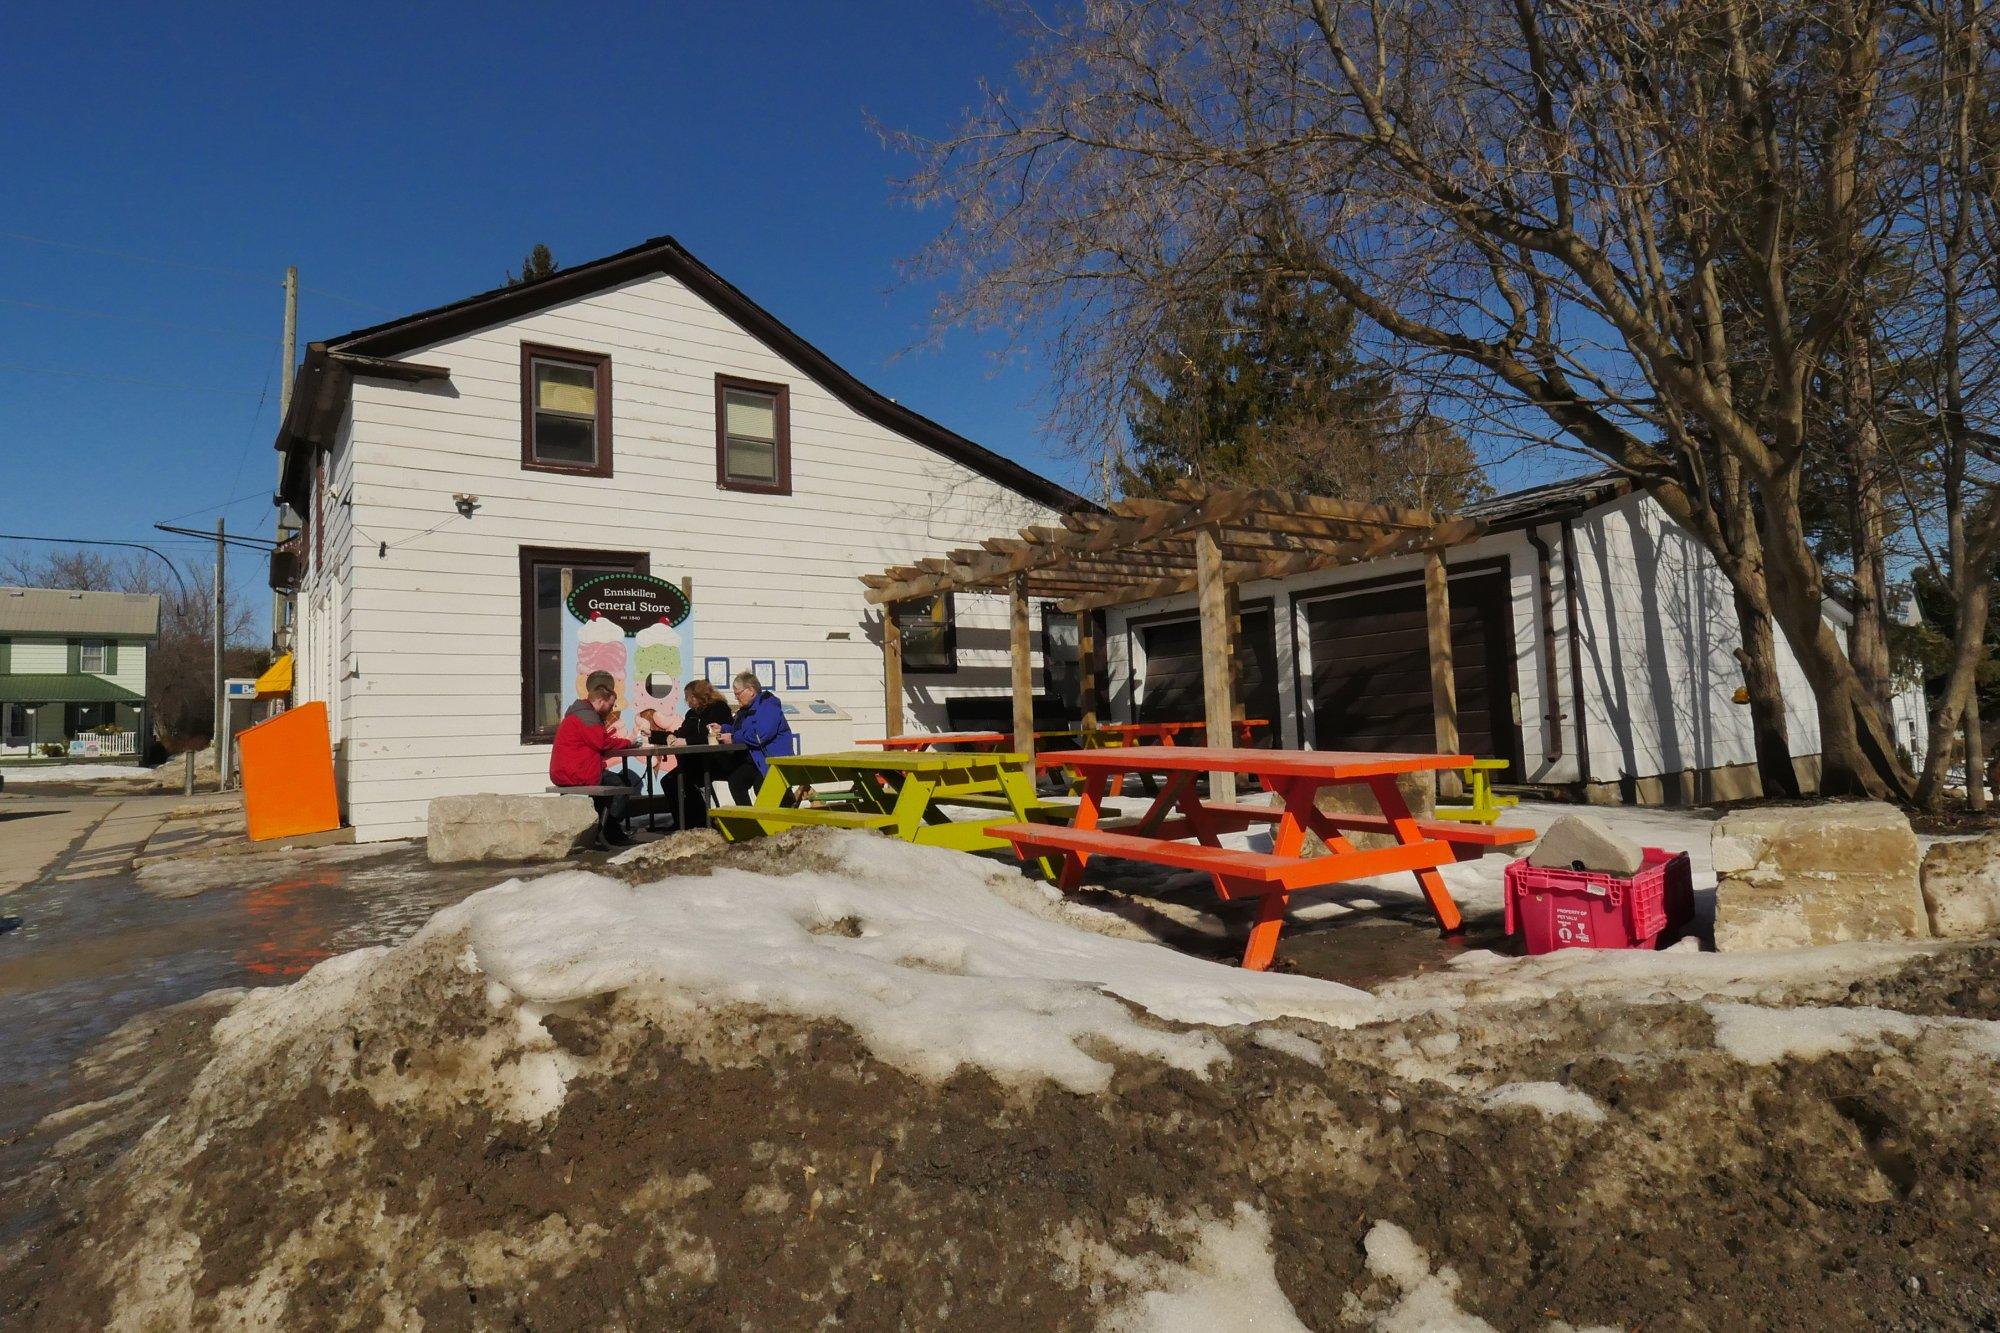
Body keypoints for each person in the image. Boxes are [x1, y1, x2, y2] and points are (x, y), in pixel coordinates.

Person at [550, 671, 638, 847]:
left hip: (564, 771)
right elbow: (601, 743)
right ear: (600, 701)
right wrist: (629, 741)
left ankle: (602, 828)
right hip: (578, 772)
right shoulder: (588, 717)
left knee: (613, 780)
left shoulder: (577, 712)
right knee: (624, 785)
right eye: (610, 705)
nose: (611, 710)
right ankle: (609, 831)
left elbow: (594, 742)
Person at [663, 678, 735, 827]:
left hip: (716, 760)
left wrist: (687, 742)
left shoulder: (719, 709)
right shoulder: (692, 714)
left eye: (688, 698)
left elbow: (713, 736)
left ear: (695, 697)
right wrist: (667, 736)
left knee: (685, 780)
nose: (687, 702)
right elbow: (682, 732)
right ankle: (683, 821)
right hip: (696, 760)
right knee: (669, 781)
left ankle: (699, 821)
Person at [718, 670, 798, 804]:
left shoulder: (768, 705)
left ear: (751, 690)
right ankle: (750, 820)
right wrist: (723, 729)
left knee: (760, 787)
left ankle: (783, 810)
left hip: (773, 761)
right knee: (736, 781)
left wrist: (732, 738)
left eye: (738, 693)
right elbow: (741, 730)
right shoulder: (746, 710)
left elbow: (759, 736)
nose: (736, 697)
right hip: (757, 760)